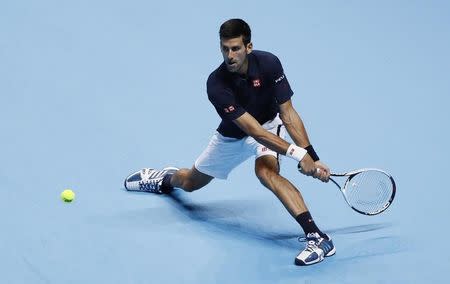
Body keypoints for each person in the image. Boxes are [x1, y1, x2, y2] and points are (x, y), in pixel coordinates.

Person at [124, 19, 336, 266]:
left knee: (266, 172)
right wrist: (299, 155)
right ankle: (164, 179)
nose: (229, 55)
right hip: (235, 134)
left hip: (269, 125)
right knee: (190, 183)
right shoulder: (216, 84)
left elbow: (288, 114)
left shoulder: (270, 64)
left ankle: (318, 237)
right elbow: (252, 131)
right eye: (224, 48)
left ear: (249, 46)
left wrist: (313, 155)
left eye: (235, 48)